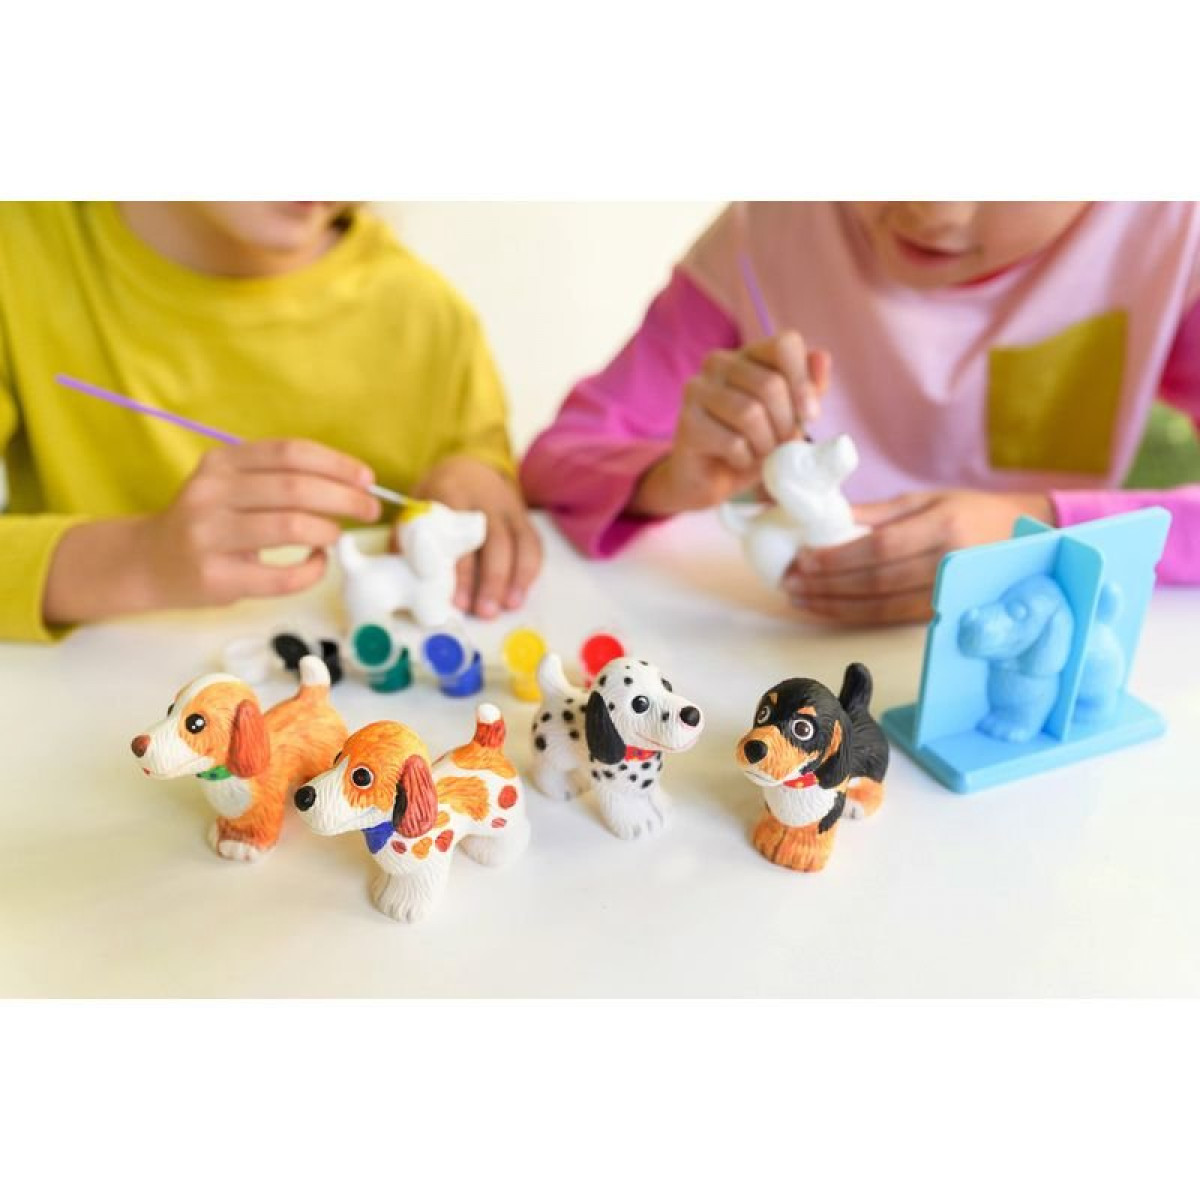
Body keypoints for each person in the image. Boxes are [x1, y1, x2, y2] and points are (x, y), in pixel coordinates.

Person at [521, 202, 1200, 624]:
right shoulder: (769, 230)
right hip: (788, 645)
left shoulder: (1172, 234)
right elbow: (558, 460)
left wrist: (1044, 533)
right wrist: (669, 476)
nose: (931, 209)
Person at [0, 201, 541, 642]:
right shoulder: (22, 256)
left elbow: (477, 469)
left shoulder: (430, 318)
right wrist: (141, 559)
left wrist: (476, 479)